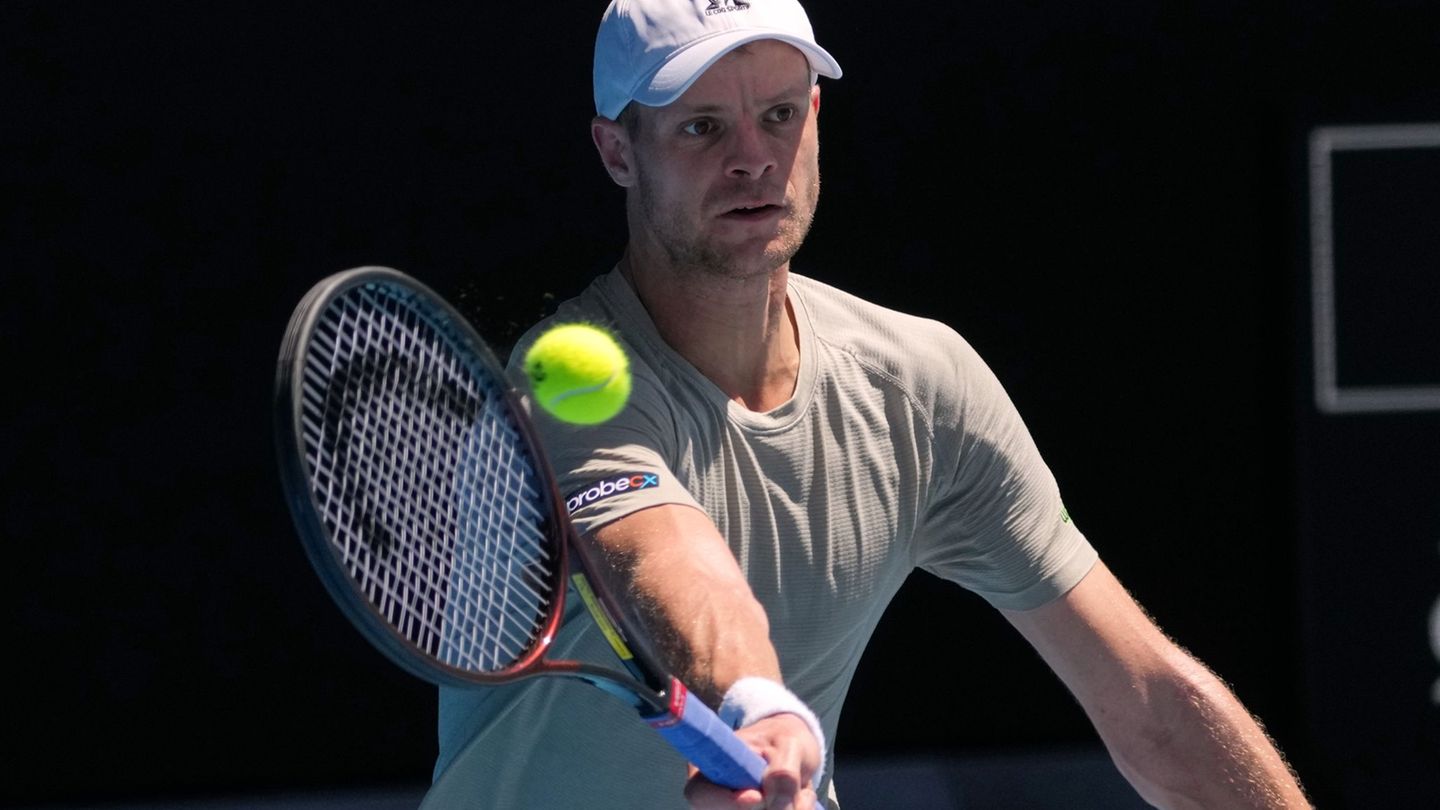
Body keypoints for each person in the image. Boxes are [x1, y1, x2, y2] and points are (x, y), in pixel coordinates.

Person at [425, 1, 1311, 808]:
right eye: (702, 127)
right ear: (619, 152)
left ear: (815, 119)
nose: (751, 157)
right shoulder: (566, 382)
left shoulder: (919, 387)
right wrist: (765, 707)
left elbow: (1150, 700)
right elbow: (674, 565)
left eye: (778, 115)